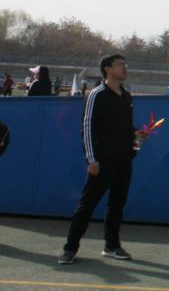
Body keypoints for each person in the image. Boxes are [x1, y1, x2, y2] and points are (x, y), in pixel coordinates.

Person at [58, 54, 149, 265]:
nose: (124, 68)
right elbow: (87, 127)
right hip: (102, 161)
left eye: (125, 64)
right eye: (120, 65)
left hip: (124, 160)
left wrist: (137, 134)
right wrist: (91, 159)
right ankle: (70, 249)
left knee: (116, 205)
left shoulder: (126, 96)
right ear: (107, 69)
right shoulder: (96, 94)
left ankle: (112, 246)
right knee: (87, 205)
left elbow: (125, 128)